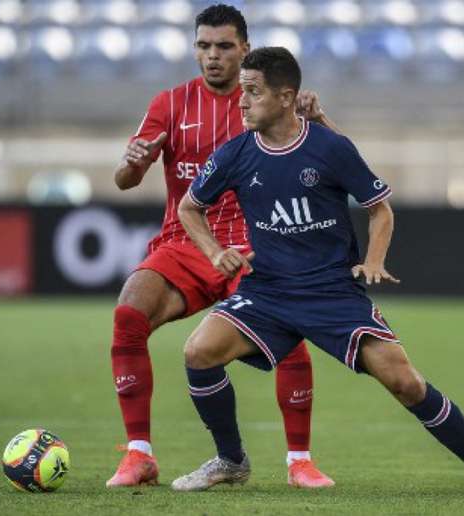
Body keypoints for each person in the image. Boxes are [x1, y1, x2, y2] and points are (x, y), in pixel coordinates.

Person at [173, 46, 464, 495]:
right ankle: (230, 459)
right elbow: (191, 207)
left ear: (286, 97)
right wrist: (213, 251)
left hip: (332, 293)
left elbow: (380, 209)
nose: (241, 102)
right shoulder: (235, 154)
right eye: (242, 92)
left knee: (405, 381)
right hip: (269, 291)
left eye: (252, 92)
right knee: (198, 353)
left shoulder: (329, 146)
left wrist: (375, 258)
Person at [107, 4, 336, 488]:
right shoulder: (169, 104)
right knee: (129, 312)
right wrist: (132, 162)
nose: (213, 56)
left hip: (256, 246)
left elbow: (325, 162)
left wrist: (316, 118)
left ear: (245, 50)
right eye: (204, 46)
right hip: (185, 242)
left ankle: (300, 461)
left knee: (292, 332)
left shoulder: (270, 103)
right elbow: (126, 181)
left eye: (224, 46)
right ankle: (139, 454)